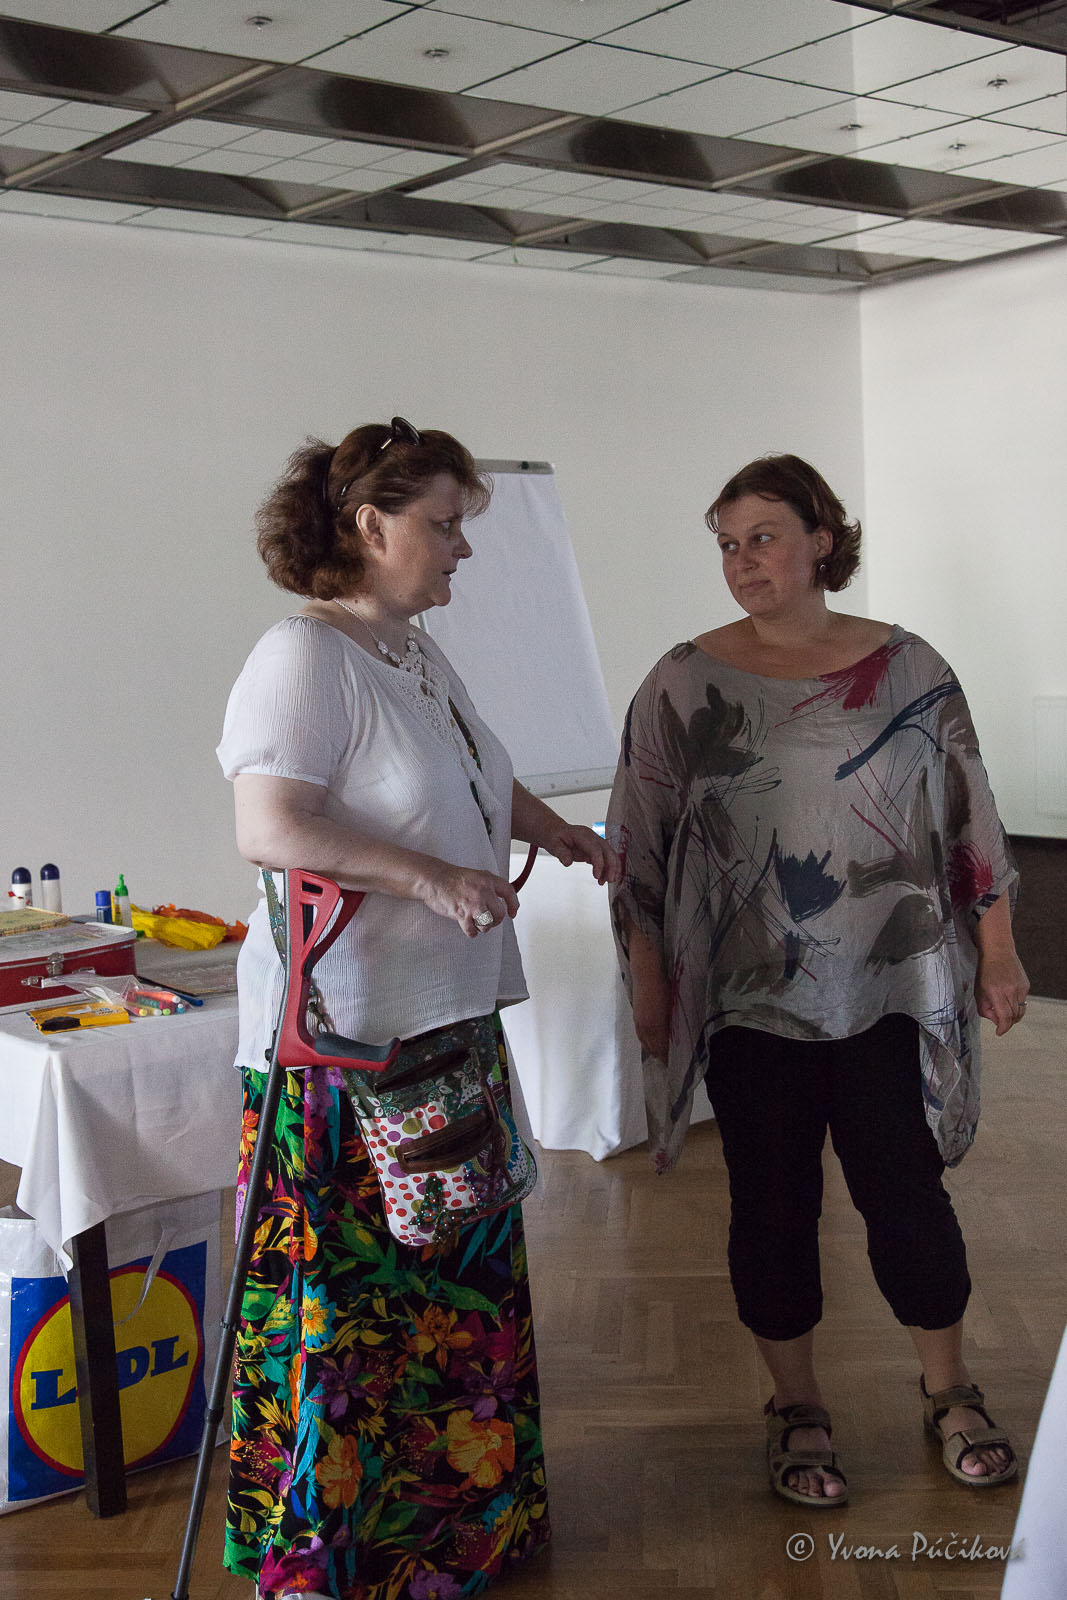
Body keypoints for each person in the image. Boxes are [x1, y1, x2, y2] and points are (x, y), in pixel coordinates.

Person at [216, 416, 617, 1600]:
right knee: (349, 1315)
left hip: (441, 1019)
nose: (461, 549)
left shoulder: (411, 652)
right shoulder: (303, 656)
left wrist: (554, 830)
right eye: (443, 525)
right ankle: (334, 1558)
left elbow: (476, 773)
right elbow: (268, 826)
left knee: (452, 1289)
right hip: (341, 1046)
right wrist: (429, 878)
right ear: (367, 524)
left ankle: (457, 1535)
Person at [606, 453, 1028, 1507]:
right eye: (726, 544)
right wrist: (649, 984)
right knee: (770, 1202)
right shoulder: (682, 680)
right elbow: (639, 847)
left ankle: (949, 1389)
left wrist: (998, 948)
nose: (740, 561)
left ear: (820, 541)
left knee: (905, 1193)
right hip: (747, 999)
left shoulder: (909, 668)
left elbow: (968, 816)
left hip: (887, 988)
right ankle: (794, 1407)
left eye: (761, 537)